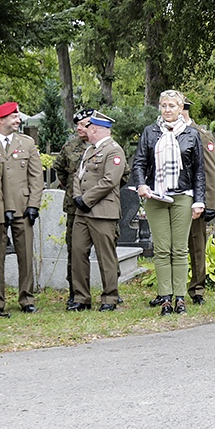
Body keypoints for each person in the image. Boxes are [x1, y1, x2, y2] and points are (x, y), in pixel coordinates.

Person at [132, 90, 206, 316]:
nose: (167, 110)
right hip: (156, 197)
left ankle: (181, 298)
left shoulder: (192, 134)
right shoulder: (150, 132)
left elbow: (199, 171)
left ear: (180, 107)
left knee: (180, 249)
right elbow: (139, 163)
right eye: (164, 105)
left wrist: (199, 201)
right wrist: (141, 184)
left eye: (172, 106)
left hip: (183, 196)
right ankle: (165, 298)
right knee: (162, 249)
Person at [0, 102, 43, 316]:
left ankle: (27, 298)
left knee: (25, 254)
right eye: (13, 117)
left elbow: (36, 177)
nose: (18, 121)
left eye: (18, 117)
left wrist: (34, 204)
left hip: (23, 207)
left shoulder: (26, 143)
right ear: (1, 119)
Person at [67, 112, 126, 312]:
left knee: (105, 256)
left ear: (95, 129)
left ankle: (110, 298)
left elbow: (110, 181)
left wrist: (86, 199)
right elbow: (78, 175)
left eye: (89, 127)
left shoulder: (114, 150)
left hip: (102, 211)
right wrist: (77, 196)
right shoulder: (90, 150)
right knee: (77, 252)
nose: (85, 130)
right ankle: (81, 297)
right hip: (82, 212)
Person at [54, 108, 93, 306]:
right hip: (74, 208)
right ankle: (75, 292)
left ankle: (111, 290)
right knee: (75, 251)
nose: (79, 127)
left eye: (83, 124)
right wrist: (70, 188)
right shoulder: (70, 147)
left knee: (107, 249)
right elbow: (59, 170)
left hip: (101, 206)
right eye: (77, 124)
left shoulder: (104, 146)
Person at [182, 96, 215, 305]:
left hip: (195, 198)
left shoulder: (200, 135)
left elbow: (211, 171)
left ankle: (197, 289)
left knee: (196, 245)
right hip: (171, 197)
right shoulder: (163, 133)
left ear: (184, 110)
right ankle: (169, 292)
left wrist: (210, 203)